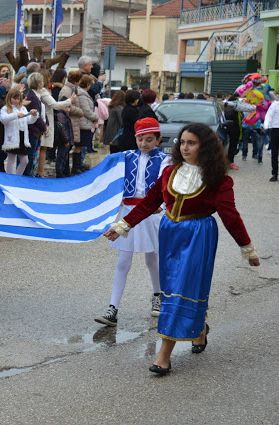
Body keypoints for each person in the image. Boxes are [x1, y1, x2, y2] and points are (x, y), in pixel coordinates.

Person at [104, 122, 260, 375]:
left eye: (192, 143)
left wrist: (247, 248)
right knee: (174, 289)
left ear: (205, 147)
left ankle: (164, 354)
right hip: (169, 234)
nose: (185, 147)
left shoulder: (218, 180)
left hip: (198, 236)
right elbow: (148, 203)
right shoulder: (170, 172)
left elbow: (230, 216)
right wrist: (123, 226)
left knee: (180, 290)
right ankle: (199, 329)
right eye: (182, 142)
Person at [95, 118, 171, 327]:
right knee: (123, 262)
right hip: (129, 212)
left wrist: (163, 207)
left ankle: (158, 296)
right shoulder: (125, 157)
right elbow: (104, 174)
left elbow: (168, 187)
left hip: (153, 213)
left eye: (149, 139)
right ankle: (112, 308)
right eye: (140, 139)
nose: (144, 143)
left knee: (152, 260)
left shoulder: (166, 160)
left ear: (158, 139)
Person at [37, 70, 74, 177]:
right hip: (46, 122)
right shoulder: (43, 92)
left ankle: (39, 171)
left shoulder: (42, 91)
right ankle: (40, 172)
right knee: (43, 148)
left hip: (45, 121)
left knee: (42, 148)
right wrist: (70, 100)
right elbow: (55, 105)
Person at [0, 88, 38, 174]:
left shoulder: (23, 108)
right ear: (9, 98)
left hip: (22, 137)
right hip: (12, 136)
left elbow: (29, 121)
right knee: (11, 159)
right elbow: (3, 119)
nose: (16, 101)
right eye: (14, 98)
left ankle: (17, 177)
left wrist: (34, 115)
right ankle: (9, 178)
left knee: (25, 160)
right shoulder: (5, 108)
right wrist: (15, 115)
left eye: (18, 99)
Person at [59, 71, 85, 174]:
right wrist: (79, 111)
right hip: (68, 120)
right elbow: (65, 106)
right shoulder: (67, 90)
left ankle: (66, 170)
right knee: (65, 147)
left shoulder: (72, 89)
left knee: (68, 147)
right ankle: (63, 171)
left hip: (73, 120)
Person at [77, 75, 100, 167]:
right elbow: (86, 110)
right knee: (80, 146)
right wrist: (95, 117)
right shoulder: (82, 95)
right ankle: (78, 165)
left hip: (85, 123)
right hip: (83, 123)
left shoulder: (83, 93)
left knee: (82, 146)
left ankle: (80, 164)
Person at [224, 94, 242, 170]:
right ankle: (230, 162)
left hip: (230, 129)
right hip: (233, 130)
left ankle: (229, 162)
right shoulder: (233, 108)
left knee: (232, 146)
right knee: (232, 146)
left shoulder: (228, 106)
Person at [263, 95, 279, 181]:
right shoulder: (274, 104)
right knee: (274, 153)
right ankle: (275, 174)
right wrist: (266, 125)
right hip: (276, 130)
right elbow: (268, 115)